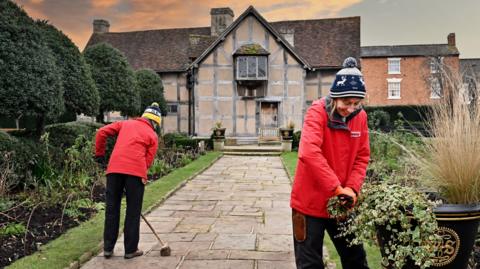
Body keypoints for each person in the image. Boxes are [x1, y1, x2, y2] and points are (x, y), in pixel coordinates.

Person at [290, 57, 370, 269]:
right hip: (309, 203)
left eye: (356, 103)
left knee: (356, 260)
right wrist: (336, 188)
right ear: (334, 97)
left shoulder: (360, 117)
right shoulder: (317, 112)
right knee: (309, 264)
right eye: (346, 102)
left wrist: (351, 189)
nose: (351, 108)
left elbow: (362, 156)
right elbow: (309, 152)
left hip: (342, 203)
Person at [94, 103, 161, 259]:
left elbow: (101, 133)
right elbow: (148, 161)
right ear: (155, 122)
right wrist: (139, 174)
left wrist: (100, 155)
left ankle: (108, 249)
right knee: (133, 212)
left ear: (144, 116)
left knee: (112, 209)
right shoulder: (152, 135)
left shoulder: (125, 123)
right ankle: (130, 250)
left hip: (114, 170)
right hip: (136, 173)